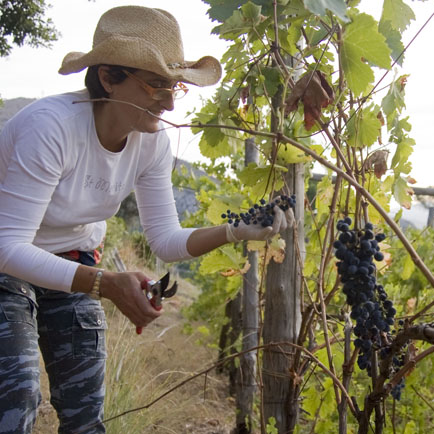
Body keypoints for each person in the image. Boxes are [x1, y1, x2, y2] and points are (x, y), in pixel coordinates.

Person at [0, 6, 294, 433]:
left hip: (73, 259)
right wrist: (104, 283)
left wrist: (234, 231)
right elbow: (8, 247)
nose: (170, 101)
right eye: (156, 84)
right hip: (5, 265)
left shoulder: (152, 142)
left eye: (175, 86)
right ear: (108, 77)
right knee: (16, 398)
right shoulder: (51, 128)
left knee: (85, 413)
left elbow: (165, 239)